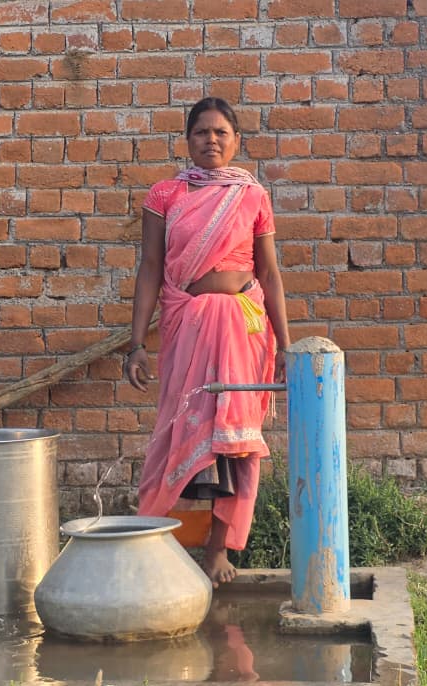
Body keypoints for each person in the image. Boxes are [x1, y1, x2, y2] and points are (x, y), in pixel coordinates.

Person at [125, 97, 289, 588]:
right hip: (187, 324)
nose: (211, 140)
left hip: (243, 328)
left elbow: (269, 274)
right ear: (187, 140)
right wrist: (136, 343)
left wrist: (286, 346)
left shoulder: (252, 195)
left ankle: (216, 550)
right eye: (201, 132)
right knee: (179, 432)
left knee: (234, 443)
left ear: (236, 141)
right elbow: (150, 268)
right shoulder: (166, 195)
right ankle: (161, 545)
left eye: (220, 132)